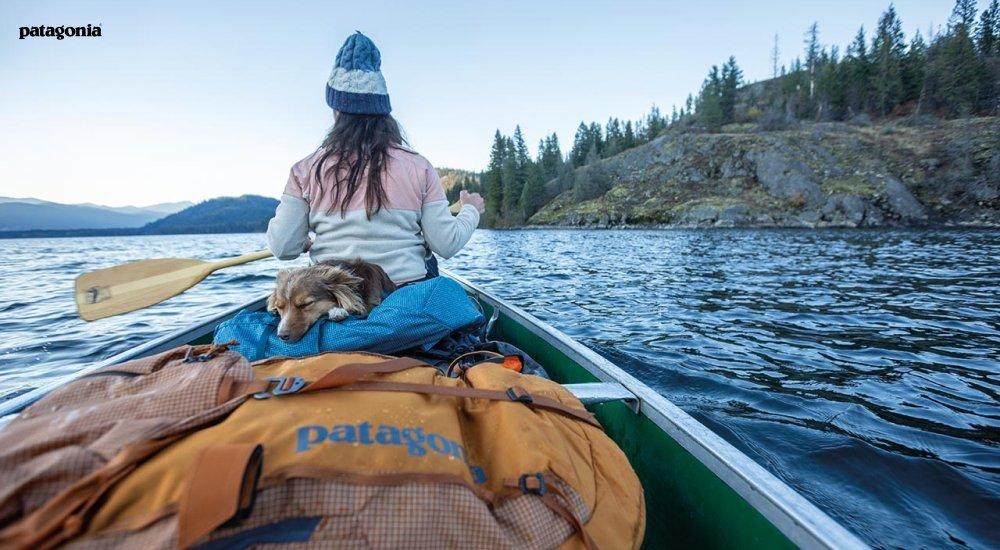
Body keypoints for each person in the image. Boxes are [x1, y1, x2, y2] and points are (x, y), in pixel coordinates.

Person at [266, 32, 485, 284]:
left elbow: (283, 248)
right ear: (383, 112)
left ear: (336, 110)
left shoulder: (305, 170)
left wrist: (300, 242)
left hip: (337, 300)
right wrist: (470, 210)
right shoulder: (418, 166)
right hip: (404, 298)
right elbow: (446, 244)